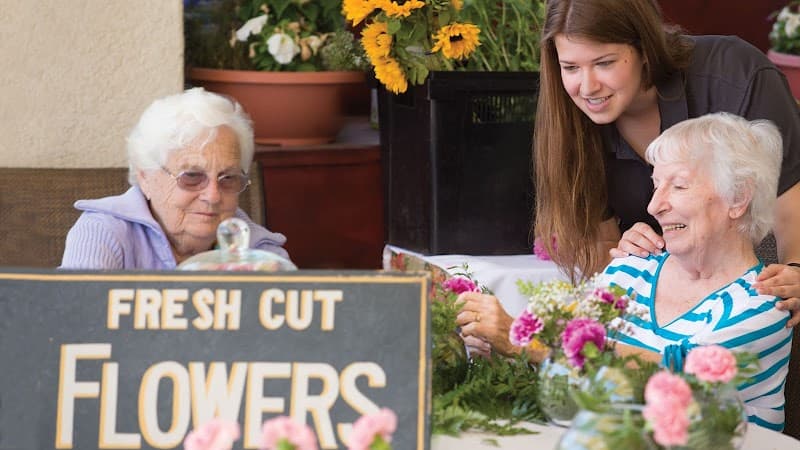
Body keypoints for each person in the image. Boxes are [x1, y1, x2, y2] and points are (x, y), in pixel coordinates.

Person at [461, 113, 792, 428]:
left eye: (678, 186)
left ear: (738, 198)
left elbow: (671, 376)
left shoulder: (767, 302)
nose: (653, 206)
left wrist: (524, 343)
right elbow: (565, 378)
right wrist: (497, 353)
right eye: (656, 185)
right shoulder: (632, 269)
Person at [532, 0, 800, 325]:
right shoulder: (569, 122)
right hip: (661, 299)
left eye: (604, 63)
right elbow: (601, 249)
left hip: (760, 270)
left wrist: (794, 272)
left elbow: (789, 210)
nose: (587, 87)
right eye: (571, 67)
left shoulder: (735, 74)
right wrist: (624, 254)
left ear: (645, 48)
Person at [60, 88, 290, 270]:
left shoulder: (260, 252)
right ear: (145, 177)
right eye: (191, 176)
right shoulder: (105, 233)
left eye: (227, 178)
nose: (212, 195)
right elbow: (77, 321)